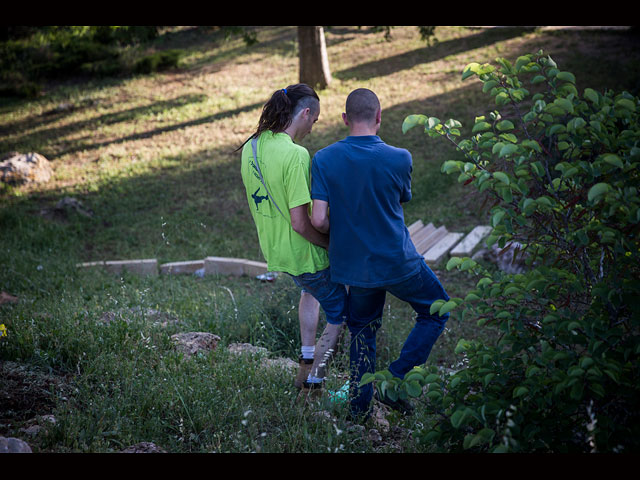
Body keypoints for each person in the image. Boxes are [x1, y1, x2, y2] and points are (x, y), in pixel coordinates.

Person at [310, 88, 450, 420]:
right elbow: (398, 199)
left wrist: (342, 228)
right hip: (398, 260)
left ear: (344, 119)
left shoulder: (324, 159)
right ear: (379, 116)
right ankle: (395, 379)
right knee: (436, 311)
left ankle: (359, 412)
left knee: (363, 331)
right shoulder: (400, 157)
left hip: (356, 268)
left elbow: (317, 219)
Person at [238, 84, 346, 394]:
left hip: (277, 252)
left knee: (309, 293)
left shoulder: (252, 147)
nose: (314, 127)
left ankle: (305, 361)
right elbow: (302, 223)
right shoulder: (296, 155)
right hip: (306, 254)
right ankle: (314, 384)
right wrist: (329, 244)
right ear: (306, 112)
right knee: (342, 314)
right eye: (316, 119)